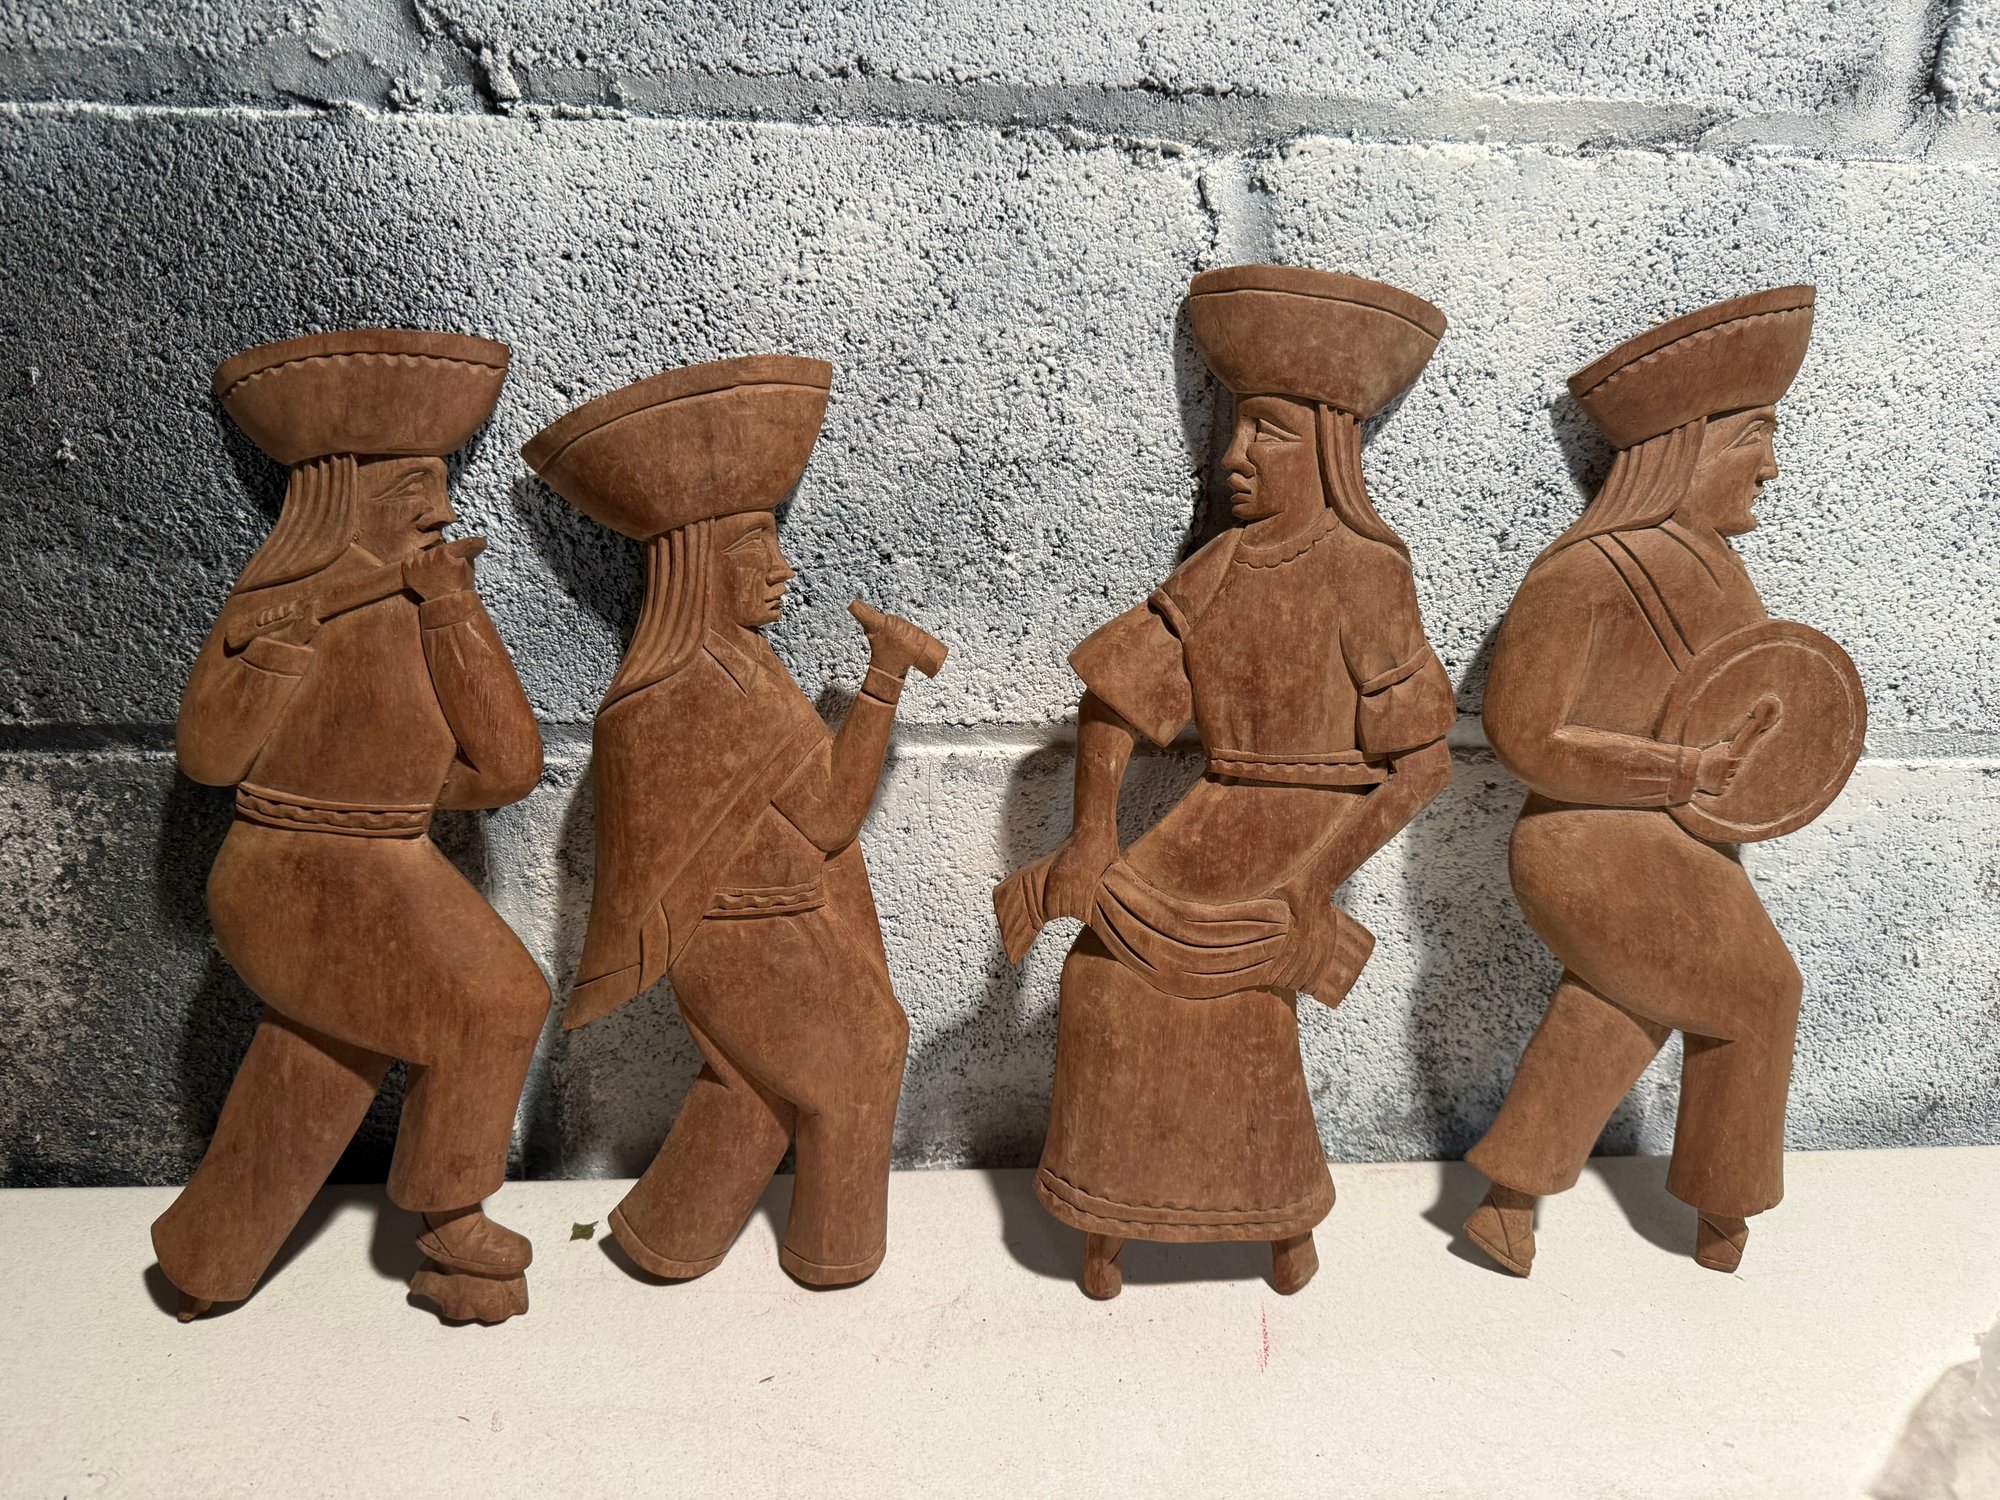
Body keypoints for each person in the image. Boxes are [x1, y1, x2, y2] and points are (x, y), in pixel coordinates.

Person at [996, 267, 1456, 1298]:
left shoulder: (1366, 571)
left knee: (1245, 1007)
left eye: (1266, 432)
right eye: (1235, 428)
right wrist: (1091, 837)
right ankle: (1110, 1219)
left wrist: (1311, 883)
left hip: (1303, 830)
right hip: (1213, 816)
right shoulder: (1223, 565)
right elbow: (1114, 696)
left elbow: (1419, 764)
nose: (1234, 455)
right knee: (1098, 976)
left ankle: (1278, 1223)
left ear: (1329, 447)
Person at [154, 330, 550, 1324]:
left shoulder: (433, 598)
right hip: (288, 869)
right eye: (416, 486)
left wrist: (452, 617)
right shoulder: (281, 601)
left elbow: (508, 768)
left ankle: (207, 1256)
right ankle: (451, 1219)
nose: (442, 509)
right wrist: (276, 658)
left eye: (442, 484)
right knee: (496, 1003)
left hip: (384, 863)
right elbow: (210, 757)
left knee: (324, 1058)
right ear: (345, 498)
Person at [524, 356, 945, 1287]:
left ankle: (667, 1236)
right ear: (698, 566)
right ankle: (834, 1254)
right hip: (749, 932)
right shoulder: (705, 689)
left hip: (764, 927)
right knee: (861, 1059)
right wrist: (882, 677)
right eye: (758, 548)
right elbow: (830, 816)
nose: (783, 569)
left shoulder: (734, 669)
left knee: (756, 1089)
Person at [1464, 286, 1823, 1275]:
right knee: (1759, 993)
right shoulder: (1582, 575)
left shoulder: (1714, 568)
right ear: (1687, 447)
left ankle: (1509, 1195)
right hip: (1588, 841)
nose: (1770, 465)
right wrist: (1677, 769)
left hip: (1675, 841)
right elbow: (1526, 737)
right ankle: (1723, 1210)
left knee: (1623, 1001)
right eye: (1754, 436)